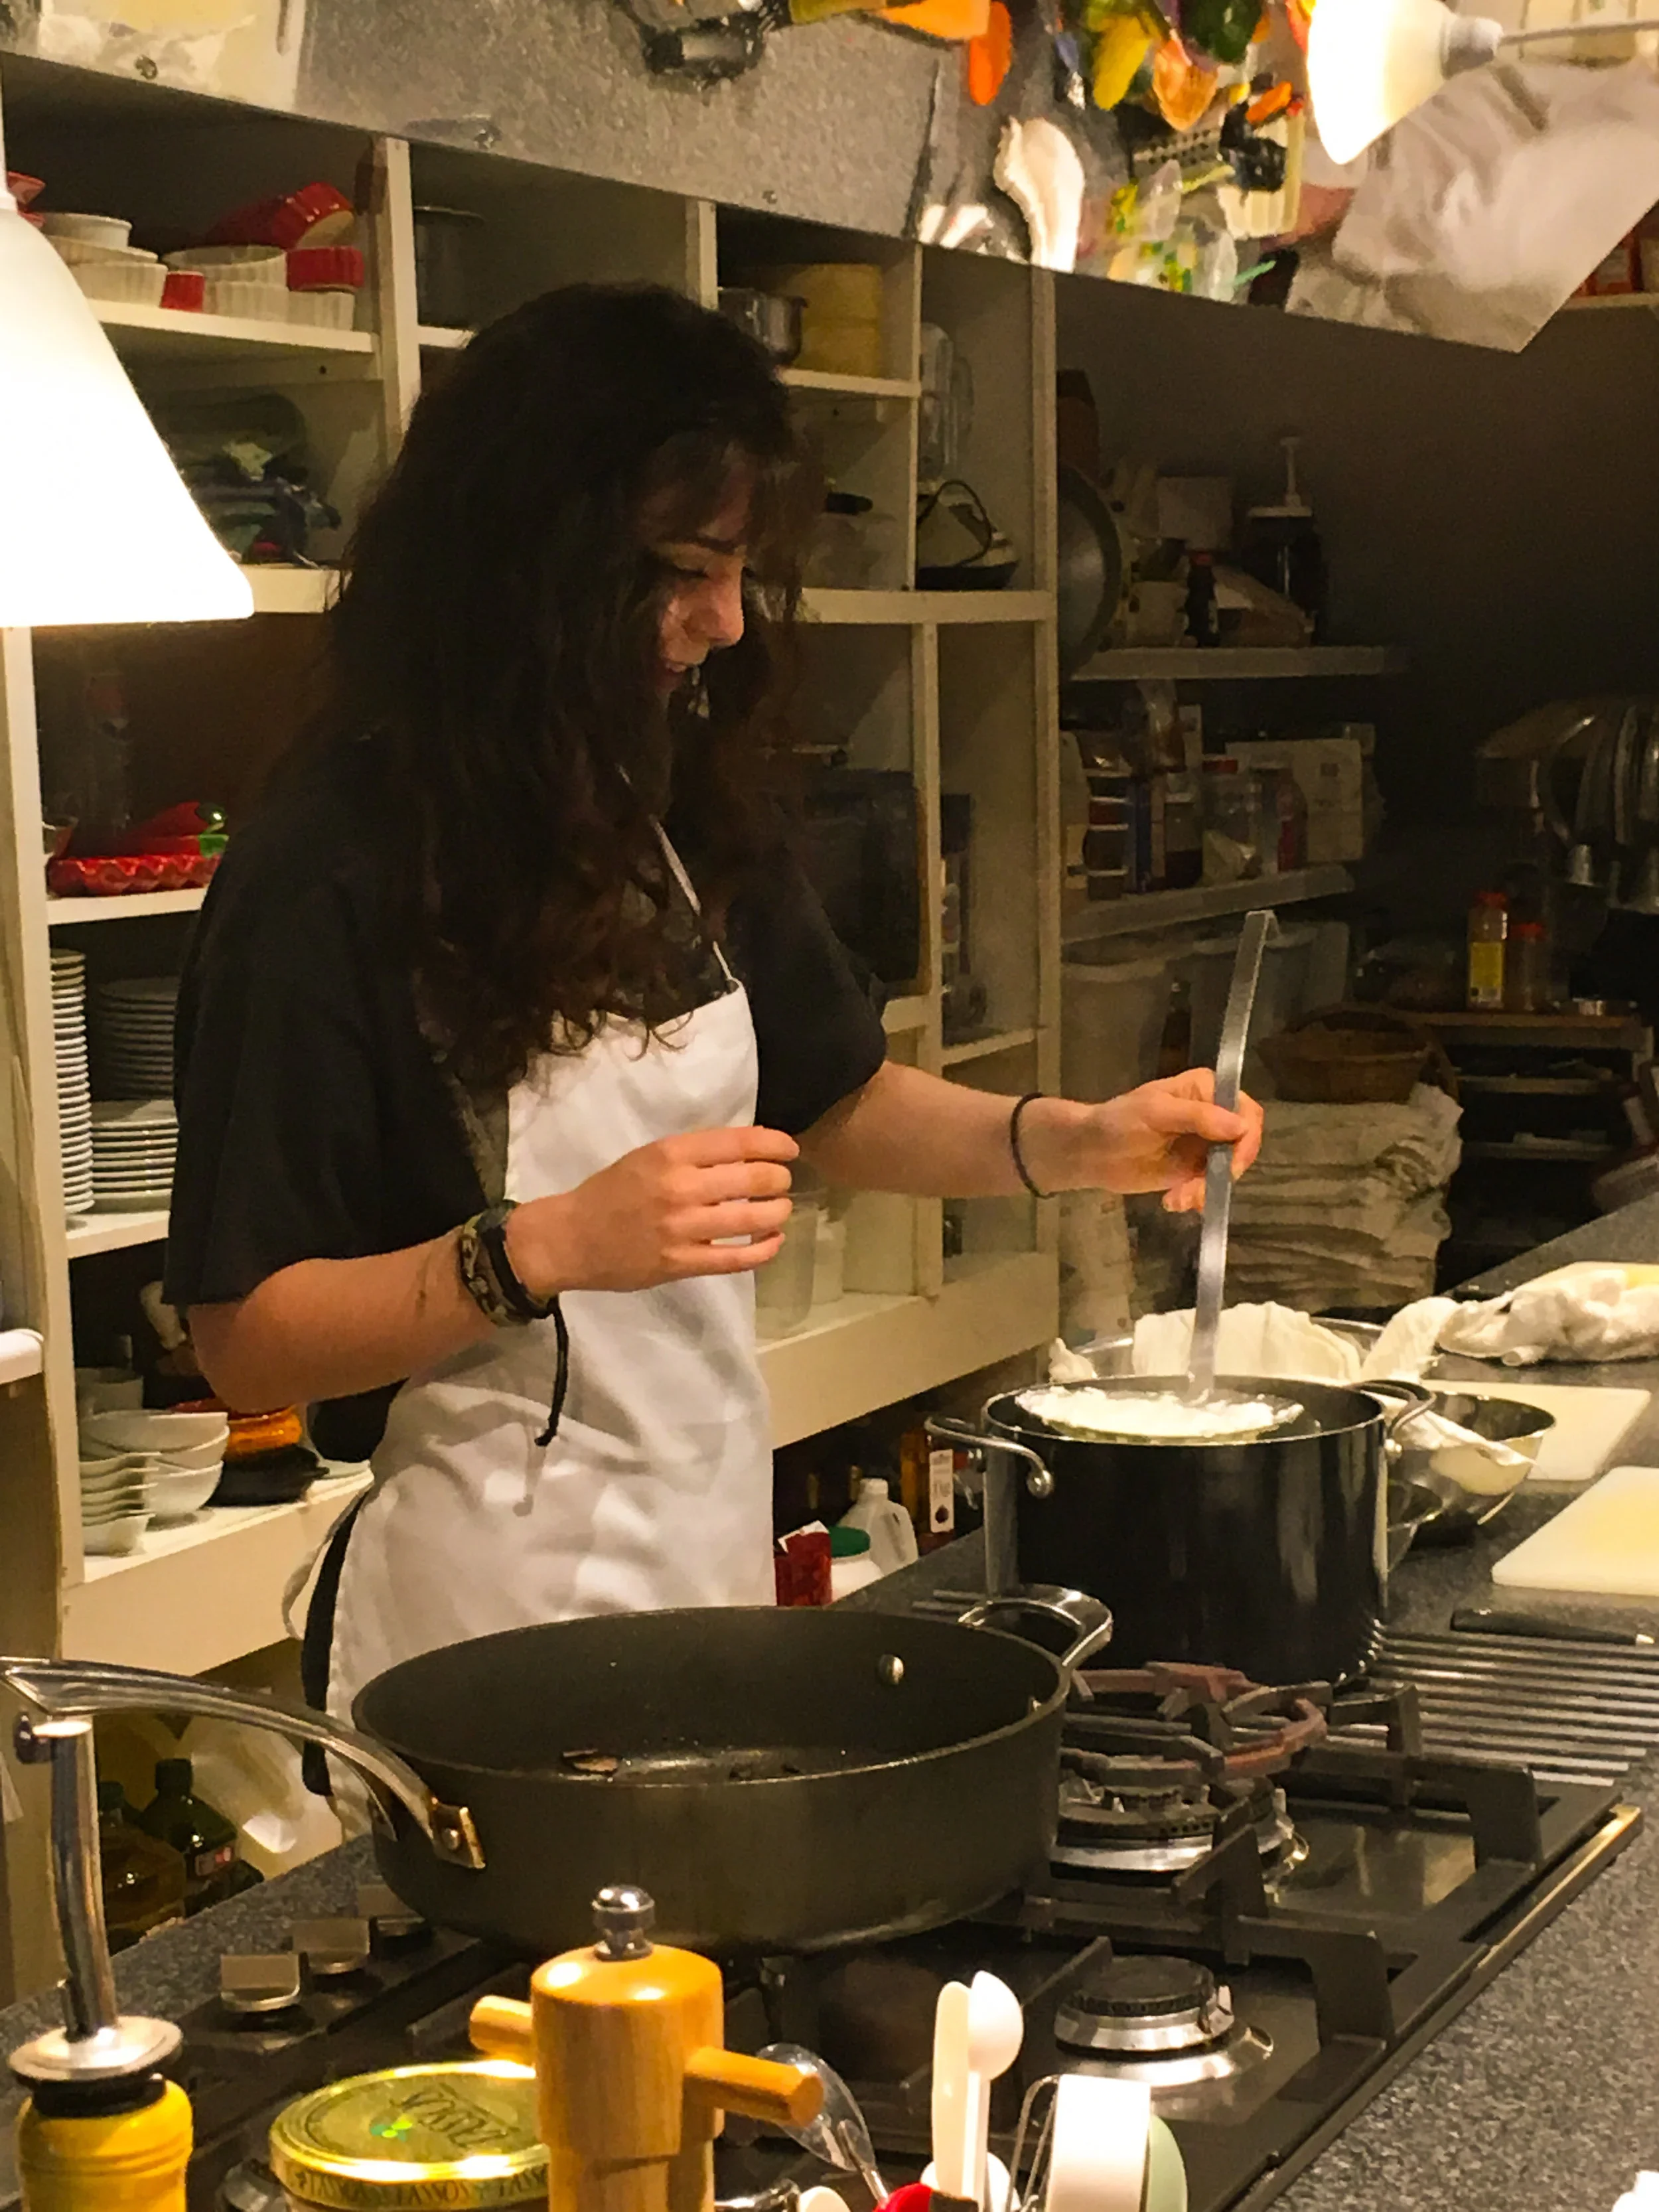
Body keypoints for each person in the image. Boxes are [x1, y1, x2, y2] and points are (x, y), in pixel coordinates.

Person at [164, 283, 1262, 1726]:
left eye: (742, 568)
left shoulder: (654, 790)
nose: (727, 622)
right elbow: (242, 1327)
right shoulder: (334, 866)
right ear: (532, 561)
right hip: (490, 1638)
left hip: (699, 1574)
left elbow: (834, 1096)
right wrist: (543, 1247)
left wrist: (1069, 1141)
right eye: (683, 569)